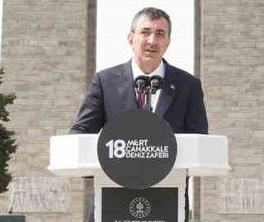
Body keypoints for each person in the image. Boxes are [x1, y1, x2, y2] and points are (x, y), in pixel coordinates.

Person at [70, 7, 208, 135]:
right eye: (145, 32)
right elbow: (81, 131)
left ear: (167, 43)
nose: (152, 41)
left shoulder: (188, 85)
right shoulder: (105, 82)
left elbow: (200, 139)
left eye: (160, 34)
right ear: (131, 39)